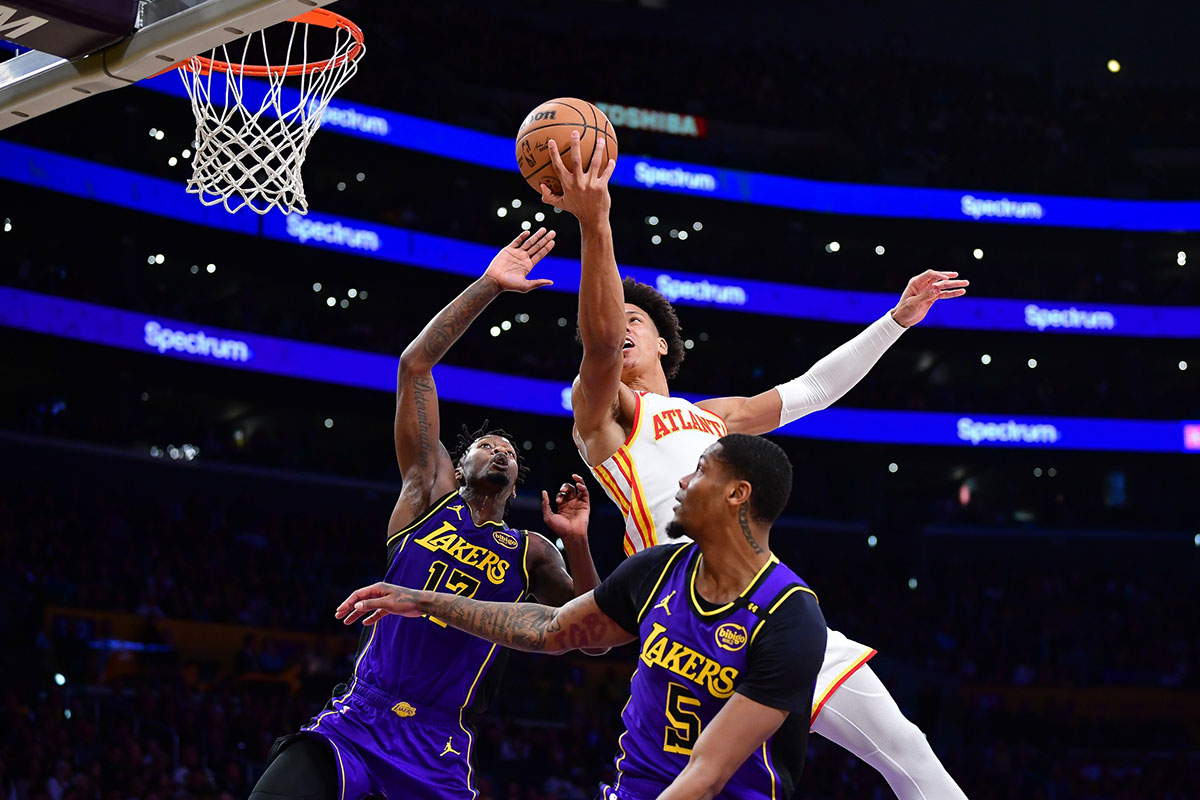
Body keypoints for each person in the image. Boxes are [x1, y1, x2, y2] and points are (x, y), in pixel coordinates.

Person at [541, 132, 970, 800]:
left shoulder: (716, 415)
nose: (618, 326)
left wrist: (896, 321)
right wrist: (596, 224)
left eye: (635, 318)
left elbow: (814, 390)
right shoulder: (605, 415)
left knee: (906, 749)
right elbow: (596, 341)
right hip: (682, 615)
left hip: (762, 602)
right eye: (610, 318)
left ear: (661, 338)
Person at [248, 229, 603, 800]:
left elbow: (595, 635)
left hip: (438, 744)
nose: (501, 450)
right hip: (359, 720)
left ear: (518, 480)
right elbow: (415, 367)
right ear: (455, 467)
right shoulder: (425, 498)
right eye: (487, 445)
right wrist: (488, 286)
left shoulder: (531, 550)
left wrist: (579, 542)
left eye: (510, 450)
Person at [339, 434, 828, 800]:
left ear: (737, 494)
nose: (682, 481)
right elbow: (554, 629)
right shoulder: (655, 571)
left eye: (699, 470)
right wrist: (424, 600)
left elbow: (707, 773)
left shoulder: (790, 616)